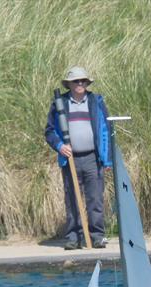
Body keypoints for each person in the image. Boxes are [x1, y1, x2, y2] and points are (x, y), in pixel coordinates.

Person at [45, 66, 112, 249]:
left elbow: (106, 130)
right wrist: (60, 146)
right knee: (72, 200)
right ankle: (74, 238)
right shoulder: (59, 103)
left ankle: (96, 236)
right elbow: (49, 132)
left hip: (93, 158)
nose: (80, 84)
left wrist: (107, 159)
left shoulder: (96, 101)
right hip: (70, 159)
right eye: (76, 81)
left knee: (95, 199)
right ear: (70, 84)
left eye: (83, 81)